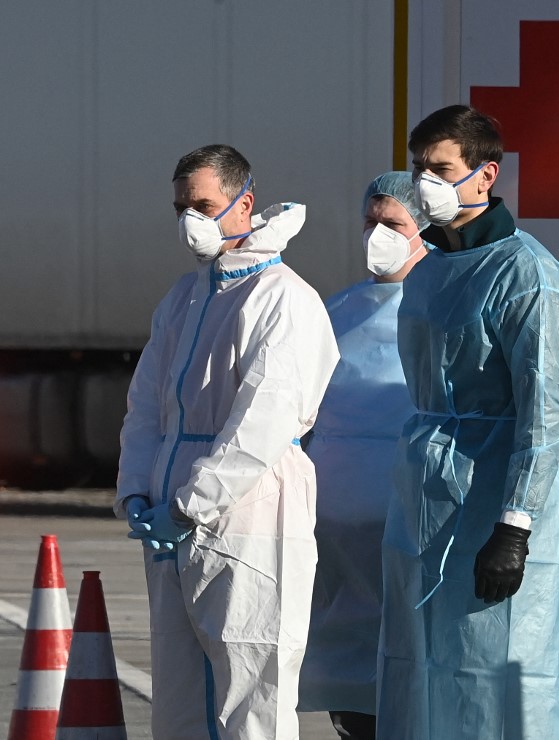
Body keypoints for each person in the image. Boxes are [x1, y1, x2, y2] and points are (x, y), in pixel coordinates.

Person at [376, 104, 559, 739]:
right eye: (418, 168)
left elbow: (545, 413)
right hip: (424, 500)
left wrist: (515, 525)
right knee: (419, 666)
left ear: (484, 175)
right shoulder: (428, 272)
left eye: (440, 168)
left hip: (492, 501)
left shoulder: (527, 275)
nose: (425, 182)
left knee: (497, 671)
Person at [115, 144, 339, 739]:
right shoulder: (186, 298)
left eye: (204, 205)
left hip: (252, 520)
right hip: (173, 520)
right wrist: (137, 491)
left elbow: (262, 423)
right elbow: (145, 409)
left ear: (245, 205)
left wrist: (192, 503)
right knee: (181, 701)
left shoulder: (282, 297)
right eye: (181, 207)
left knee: (252, 696)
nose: (191, 220)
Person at [297, 171, 429, 740]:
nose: (379, 235)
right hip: (339, 537)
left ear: (423, 229)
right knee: (352, 686)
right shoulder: (334, 312)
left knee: (414, 672)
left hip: (415, 524)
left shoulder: (444, 308)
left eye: (393, 224)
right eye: (371, 223)